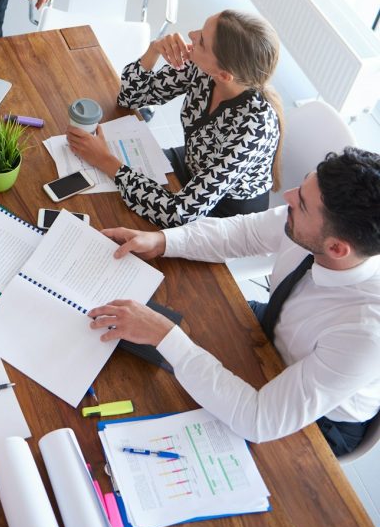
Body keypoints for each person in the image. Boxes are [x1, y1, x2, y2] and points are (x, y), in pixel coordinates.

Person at [88, 148, 380, 457]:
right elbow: (245, 232)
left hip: (317, 420)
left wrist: (163, 336)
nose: (289, 196)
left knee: (154, 400)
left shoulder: (364, 333)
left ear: (336, 249)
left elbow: (258, 419)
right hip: (271, 330)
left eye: (302, 204)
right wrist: (162, 241)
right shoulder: (315, 225)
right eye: (305, 183)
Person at [67, 10, 283, 226]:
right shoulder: (204, 69)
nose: (191, 34)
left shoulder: (254, 129)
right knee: (98, 192)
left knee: (112, 214)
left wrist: (105, 160)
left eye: (202, 41)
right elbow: (129, 98)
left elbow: (179, 213)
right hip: (191, 163)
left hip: (222, 212)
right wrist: (154, 50)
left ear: (224, 75)